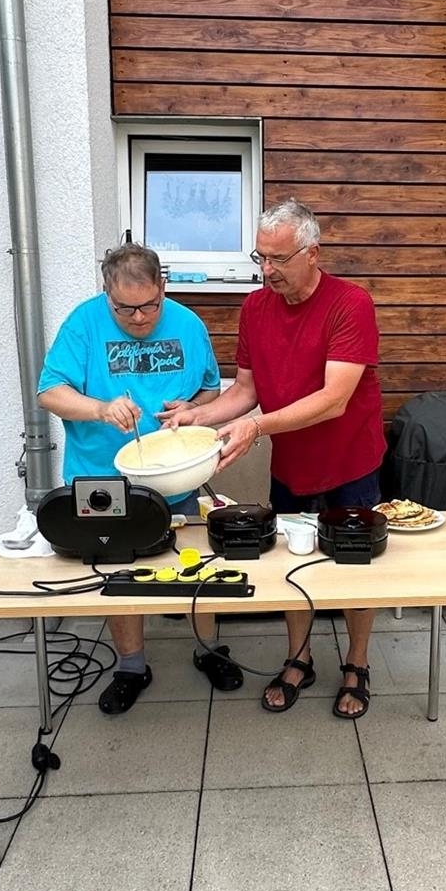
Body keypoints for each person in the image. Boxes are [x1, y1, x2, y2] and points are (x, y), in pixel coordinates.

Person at [162, 199, 385, 718]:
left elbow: (334, 398)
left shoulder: (350, 304)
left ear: (313, 253)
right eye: (260, 257)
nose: (267, 271)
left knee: (355, 568)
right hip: (294, 464)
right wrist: (201, 416)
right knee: (293, 566)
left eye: (279, 259)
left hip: (351, 461)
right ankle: (299, 657)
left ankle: (356, 662)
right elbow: (245, 390)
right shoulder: (255, 309)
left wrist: (257, 425)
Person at [38, 242, 243, 713]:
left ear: (163, 287)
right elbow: (50, 391)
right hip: (102, 475)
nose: (137, 317)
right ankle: (131, 665)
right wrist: (100, 408)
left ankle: (209, 650)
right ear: (107, 293)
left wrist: (194, 406)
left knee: (198, 563)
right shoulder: (84, 323)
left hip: (175, 473)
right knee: (115, 569)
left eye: (149, 305)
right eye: (124, 308)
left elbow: (210, 386)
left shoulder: (188, 325)